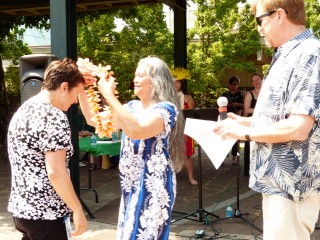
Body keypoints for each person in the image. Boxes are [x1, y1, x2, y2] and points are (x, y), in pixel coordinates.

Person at [214, 0, 320, 239]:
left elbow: (298, 127)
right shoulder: (287, 54)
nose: (258, 29)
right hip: (276, 184)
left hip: (291, 187)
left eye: (260, 20)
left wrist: (245, 134)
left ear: (280, 15)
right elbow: (281, 118)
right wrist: (241, 123)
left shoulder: (309, 54)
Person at [79, 56, 186, 240]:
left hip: (153, 186)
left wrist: (109, 95)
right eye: (135, 74)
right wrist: (83, 87)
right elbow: (93, 120)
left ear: (155, 80)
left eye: (141, 75)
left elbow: (137, 130)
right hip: (131, 185)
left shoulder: (166, 109)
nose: (135, 79)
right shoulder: (131, 107)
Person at [7, 58, 87, 239]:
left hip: (22, 209)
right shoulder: (54, 116)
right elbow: (56, 171)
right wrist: (77, 209)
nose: (75, 101)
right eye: (77, 93)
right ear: (64, 87)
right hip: (47, 213)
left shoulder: (24, 109)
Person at [172, 68, 198, 185]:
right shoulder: (166, 97)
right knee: (170, 153)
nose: (175, 84)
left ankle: (191, 177)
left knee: (187, 154)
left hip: (185, 128)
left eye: (177, 82)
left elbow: (191, 114)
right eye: (173, 81)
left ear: (181, 84)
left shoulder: (187, 97)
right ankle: (170, 177)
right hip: (171, 128)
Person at [243, 73, 263, 176]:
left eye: (258, 79)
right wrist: (262, 110)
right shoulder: (249, 94)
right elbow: (247, 109)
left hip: (264, 123)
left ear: (262, 79)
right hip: (253, 123)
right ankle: (249, 171)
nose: (256, 82)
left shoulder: (267, 92)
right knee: (251, 147)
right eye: (254, 81)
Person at [221, 76, 243, 165]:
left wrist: (236, 104)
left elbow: (243, 105)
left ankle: (234, 158)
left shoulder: (240, 95)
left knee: (235, 139)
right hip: (225, 117)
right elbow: (219, 105)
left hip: (236, 118)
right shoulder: (224, 95)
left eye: (236, 84)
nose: (234, 86)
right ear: (229, 85)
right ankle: (222, 158)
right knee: (223, 137)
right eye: (233, 84)